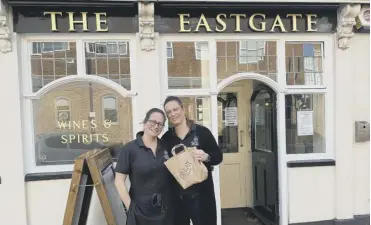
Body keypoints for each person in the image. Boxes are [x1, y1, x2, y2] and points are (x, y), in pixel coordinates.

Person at [161, 96, 223, 225]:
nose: (173, 114)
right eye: (169, 112)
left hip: (202, 196)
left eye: (175, 109)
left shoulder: (202, 132)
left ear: (183, 110)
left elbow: (218, 156)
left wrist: (207, 157)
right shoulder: (166, 138)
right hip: (177, 198)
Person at [114, 108, 173, 225]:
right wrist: (131, 207)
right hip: (140, 211)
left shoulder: (166, 146)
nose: (156, 126)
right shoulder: (129, 149)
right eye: (153, 122)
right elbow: (119, 181)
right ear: (145, 123)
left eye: (160, 124)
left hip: (164, 210)